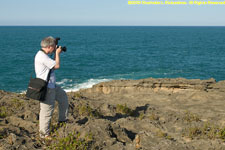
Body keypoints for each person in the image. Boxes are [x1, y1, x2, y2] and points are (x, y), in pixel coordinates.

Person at [34, 36, 69, 139]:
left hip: (52, 86)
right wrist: (57, 54)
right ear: (49, 47)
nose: (55, 48)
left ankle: (63, 120)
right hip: (46, 88)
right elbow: (57, 66)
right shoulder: (42, 56)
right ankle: (44, 134)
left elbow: (52, 65)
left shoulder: (44, 55)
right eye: (53, 47)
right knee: (47, 110)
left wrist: (56, 53)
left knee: (63, 98)